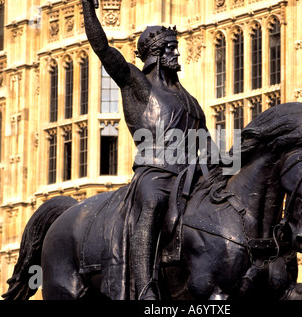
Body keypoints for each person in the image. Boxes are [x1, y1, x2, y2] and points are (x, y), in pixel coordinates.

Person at [82, 0, 213, 299]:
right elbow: (103, 50)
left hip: (189, 177)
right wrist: (89, 9)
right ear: (155, 53)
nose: (176, 52)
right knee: (153, 203)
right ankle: (145, 289)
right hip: (154, 174)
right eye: (170, 47)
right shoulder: (137, 84)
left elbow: (208, 149)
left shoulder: (190, 101)